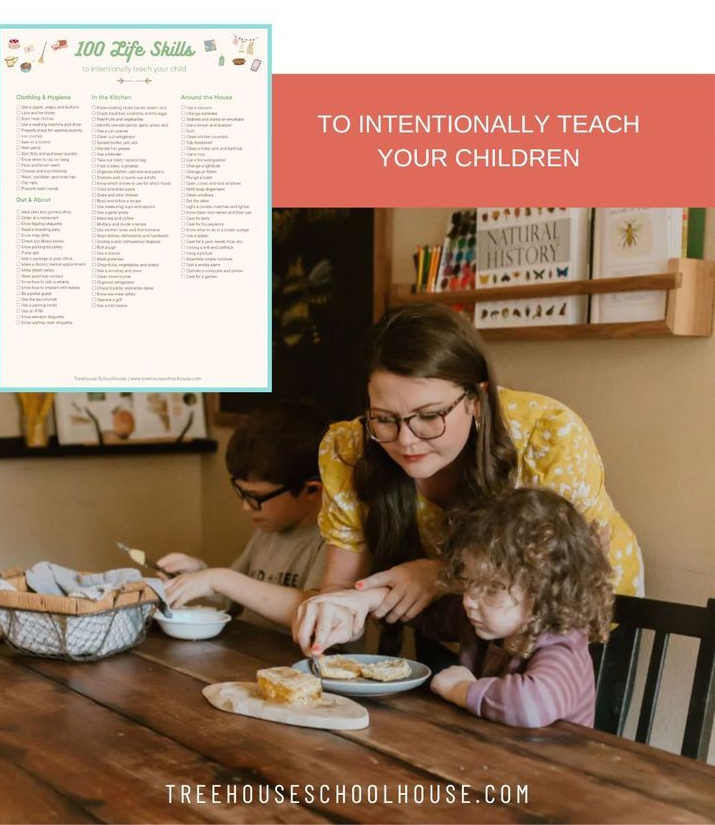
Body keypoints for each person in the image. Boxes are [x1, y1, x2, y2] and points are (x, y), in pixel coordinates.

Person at [295, 301, 640, 658]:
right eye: (384, 418)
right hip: (459, 622)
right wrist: (335, 610)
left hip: (567, 624)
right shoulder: (350, 447)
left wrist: (440, 575)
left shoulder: (547, 435)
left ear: (478, 398)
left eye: (428, 416)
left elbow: (554, 572)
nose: (405, 440)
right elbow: (340, 583)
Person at [303, 488, 613, 728]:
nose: (469, 599)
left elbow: (532, 706)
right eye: (468, 581)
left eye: (492, 588)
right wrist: (363, 601)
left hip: (551, 785)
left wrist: (463, 690)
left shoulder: (561, 644)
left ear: (545, 592)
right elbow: (418, 611)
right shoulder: (483, 620)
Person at [160, 400, 329, 631]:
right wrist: (200, 575)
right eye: (241, 492)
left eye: (255, 496)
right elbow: (236, 596)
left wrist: (218, 579)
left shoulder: (334, 543)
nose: (246, 507)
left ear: (312, 490)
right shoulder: (269, 529)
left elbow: (318, 615)